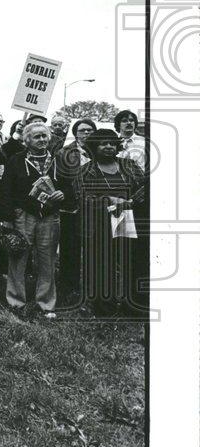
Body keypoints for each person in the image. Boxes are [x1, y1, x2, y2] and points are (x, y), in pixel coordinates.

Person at [74, 128, 148, 318]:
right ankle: (104, 309)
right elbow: (82, 197)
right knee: (103, 265)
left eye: (111, 143)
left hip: (130, 220)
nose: (108, 146)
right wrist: (109, 199)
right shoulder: (86, 170)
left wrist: (135, 199)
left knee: (134, 262)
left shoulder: (129, 165)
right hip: (100, 223)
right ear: (94, 147)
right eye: (103, 143)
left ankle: (134, 307)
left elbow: (145, 188)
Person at [0, 122, 65, 318]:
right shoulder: (16, 160)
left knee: (48, 259)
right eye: (37, 137)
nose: (42, 140)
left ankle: (46, 304)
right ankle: (16, 301)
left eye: (44, 136)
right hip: (24, 214)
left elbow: (69, 185)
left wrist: (63, 194)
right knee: (18, 257)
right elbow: (6, 190)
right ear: (27, 140)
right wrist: (8, 217)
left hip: (50, 216)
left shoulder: (57, 160)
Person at [55, 118, 97, 296]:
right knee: (70, 247)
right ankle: (68, 286)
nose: (87, 133)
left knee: (93, 247)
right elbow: (60, 181)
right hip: (72, 207)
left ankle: (92, 286)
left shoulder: (100, 151)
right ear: (75, 133)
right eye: (83, 130)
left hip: (95, 207)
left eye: (90, 130)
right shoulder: (64, 152)